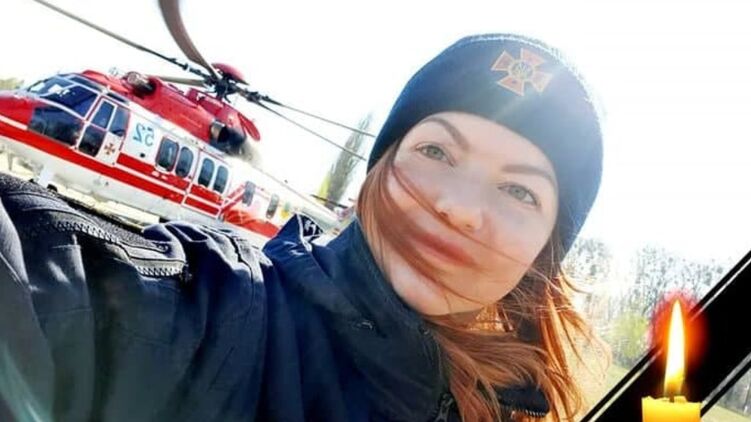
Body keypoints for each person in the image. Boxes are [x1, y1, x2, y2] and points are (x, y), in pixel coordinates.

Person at [0, 33, 603, 421]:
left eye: (520, 191)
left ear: (544, 252)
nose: (460, 207)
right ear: (375, 172)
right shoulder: (223, 310)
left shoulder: (509, 404)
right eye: (436, 152)